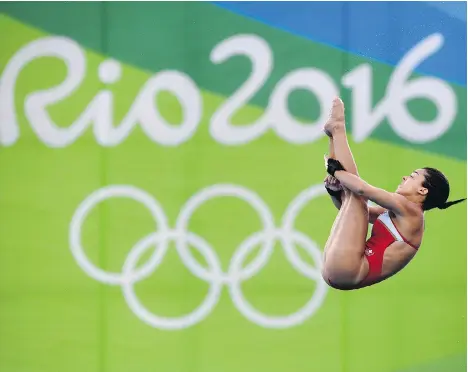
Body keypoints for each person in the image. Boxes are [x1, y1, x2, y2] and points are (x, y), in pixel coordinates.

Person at [321, 97, 465, 290]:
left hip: (348, 268)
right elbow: (350, 211)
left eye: (413, 176)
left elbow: (363, 189)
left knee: (356, 194)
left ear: (423, 190)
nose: (406, 177)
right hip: (339, 270)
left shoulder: (412, 212)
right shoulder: (400, 215)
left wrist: (335, 171)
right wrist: (333, 191)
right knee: (351, 198)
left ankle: (337, 130)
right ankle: (333, 134)